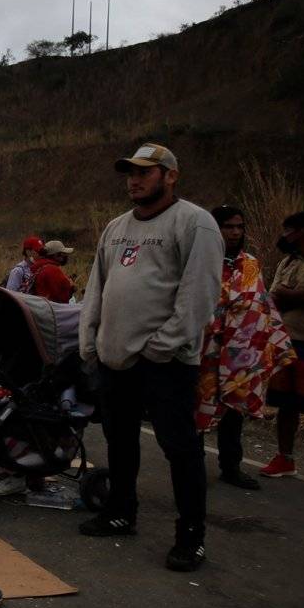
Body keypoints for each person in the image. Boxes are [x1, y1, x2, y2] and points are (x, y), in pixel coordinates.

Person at [77, 142, 223, 572]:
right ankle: (121, 512)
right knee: (120, 442)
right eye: (130, 173)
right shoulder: (116, 227)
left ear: (170, 175)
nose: (135, 180)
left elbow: (199, 296)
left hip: (166, 362)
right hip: (114, 358)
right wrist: (91, 341)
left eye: (146, 171)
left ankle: (191, 536)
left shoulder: (195, 223)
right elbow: (96, 288)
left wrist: (160, 346)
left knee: (180, 449)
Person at [196, 206, 294, 489]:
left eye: (240, 226)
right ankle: (192, 464)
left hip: (241, 353)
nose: (235, 232)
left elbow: (258, 303)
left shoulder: (250, 264)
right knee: (198, 407)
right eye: (228, 226)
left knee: (234, 411)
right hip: (206, 350)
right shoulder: (199, 260)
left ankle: (231, 467)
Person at [260, 210, 304, 484]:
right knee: (286, 402)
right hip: (286, 339)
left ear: (303, 231)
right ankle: (284, 457)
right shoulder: (288, 261)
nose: (284, 236)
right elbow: (273, 297)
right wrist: (296, 296)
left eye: (288, 230)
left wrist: (293, 296)